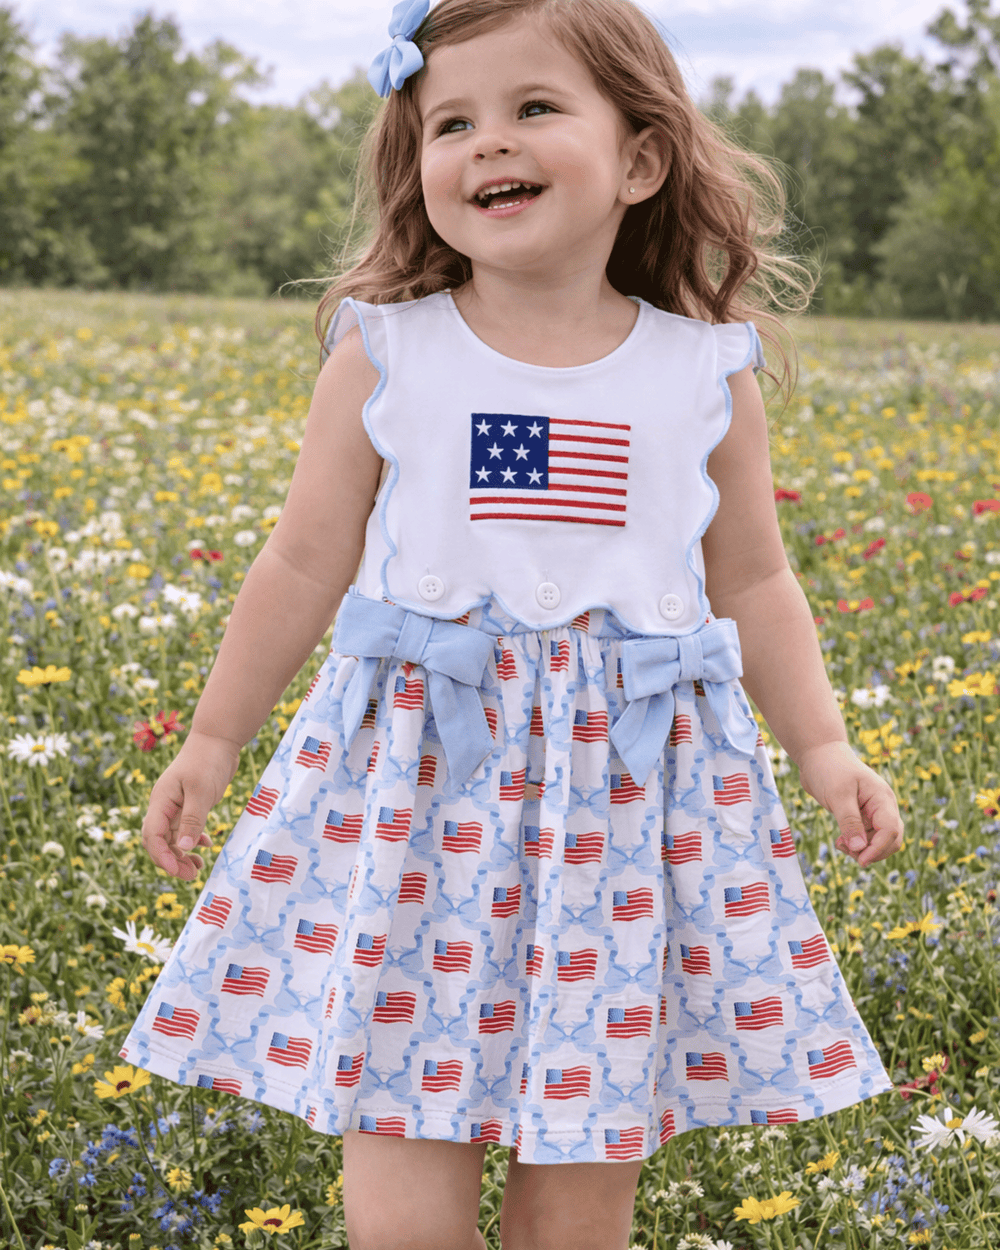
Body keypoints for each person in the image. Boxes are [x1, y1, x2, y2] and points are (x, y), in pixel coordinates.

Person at [123, 1, 905, 1246]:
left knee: (580, 1185)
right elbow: (302, 560)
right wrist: (212, 740)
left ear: (638, 161)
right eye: (452, 122)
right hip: (421, 788)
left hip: (625, 805)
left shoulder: (704, 369)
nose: (490, 143)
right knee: (402, 1171)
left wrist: (822, 747)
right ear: (416, 161)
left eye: (535, 108)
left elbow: (753, 579)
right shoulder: (385, 352)